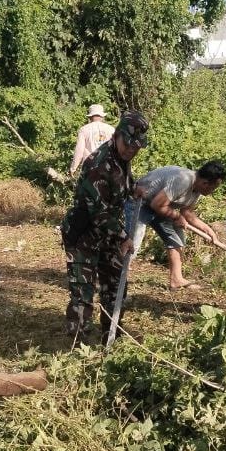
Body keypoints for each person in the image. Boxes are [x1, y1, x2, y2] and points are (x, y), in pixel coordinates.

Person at [60, 110, 149, 341]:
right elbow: (99, 213)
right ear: (117, 135)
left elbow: (120, 183)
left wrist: (133, 188)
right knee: (83, 293)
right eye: (128, 144)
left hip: (108, 234)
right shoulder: (97, 164)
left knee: (116, 285)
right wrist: (124, 237)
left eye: (136, 147)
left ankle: (111, 336)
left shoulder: (122, 158)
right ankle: (78, 348)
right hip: (83, 234)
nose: (131, 150)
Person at [127, 161, 226, 289]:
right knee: (132, 242)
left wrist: (207, 230)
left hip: (161, 206)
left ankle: (176, 279)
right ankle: (117, 279)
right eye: (213, 188)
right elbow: (157, 205)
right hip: (140, 201)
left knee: (177, 238)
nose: (213, 191)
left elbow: (187, 213)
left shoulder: (197, 190)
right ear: (205, 183)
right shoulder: (183, 180)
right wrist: (177, 216)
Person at [69, 104, 114, 175]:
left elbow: (79, 151)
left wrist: (73, 168)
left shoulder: (84, 130)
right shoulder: (111, 129)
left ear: (90, 117)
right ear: (102, 116)